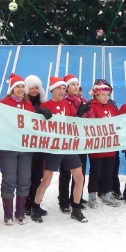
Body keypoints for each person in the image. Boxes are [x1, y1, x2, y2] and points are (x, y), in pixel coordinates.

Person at [31, 77, 87, 223]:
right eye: (59, 89)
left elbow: (72, 123)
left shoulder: (67, 105)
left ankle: (76, 209)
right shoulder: (46, 105)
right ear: (52, 90)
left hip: (67, 146)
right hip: (53, 147)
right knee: (47, 180)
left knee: (79, 177)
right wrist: (40, 112)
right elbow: (35, 123)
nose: (62, 92)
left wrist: (79, 114)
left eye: (63, 89)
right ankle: (35, 206)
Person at [0, 73, 35, 225]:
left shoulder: (28, 104)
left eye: (22, 86)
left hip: (25, 148)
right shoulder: (4, 103)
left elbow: (34, 124)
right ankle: (8, 214)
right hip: (8, 148)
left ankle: (20, 212)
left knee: (24, 179)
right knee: (9, 180)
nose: (20, 89)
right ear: (12, 89)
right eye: (17, 87)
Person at [83, 79, 121, 208]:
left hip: (110, 146)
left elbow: (117, 123)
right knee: (96, 172)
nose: (106, 97)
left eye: (107, 95)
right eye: (103, 95)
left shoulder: (111, 108)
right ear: (96, 95)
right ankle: (92, 195)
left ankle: (107, 193)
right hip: (97, 147)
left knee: (108, 172)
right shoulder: (91, 107)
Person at [58, 74, 89, 213]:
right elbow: (65, 121)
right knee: (66, 172)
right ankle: (64, 200)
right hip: (68, 141)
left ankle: (76, 198)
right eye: (73, 84)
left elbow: (91, 119)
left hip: (81, 140)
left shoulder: (83, 101)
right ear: (67, 87)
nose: (76, 87)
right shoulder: (63, 101)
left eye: (77, 84)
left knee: (80, 171)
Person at [23, 75, 48, 217]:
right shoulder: (24, 103)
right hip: (27, 144)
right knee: (28, 175)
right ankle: (24, 202)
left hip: (41, 144)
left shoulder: (44, 103)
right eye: (31, 88)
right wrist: (38, 113)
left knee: (38, 175)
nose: (34, 90)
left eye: (36, 88)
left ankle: (34, 202)